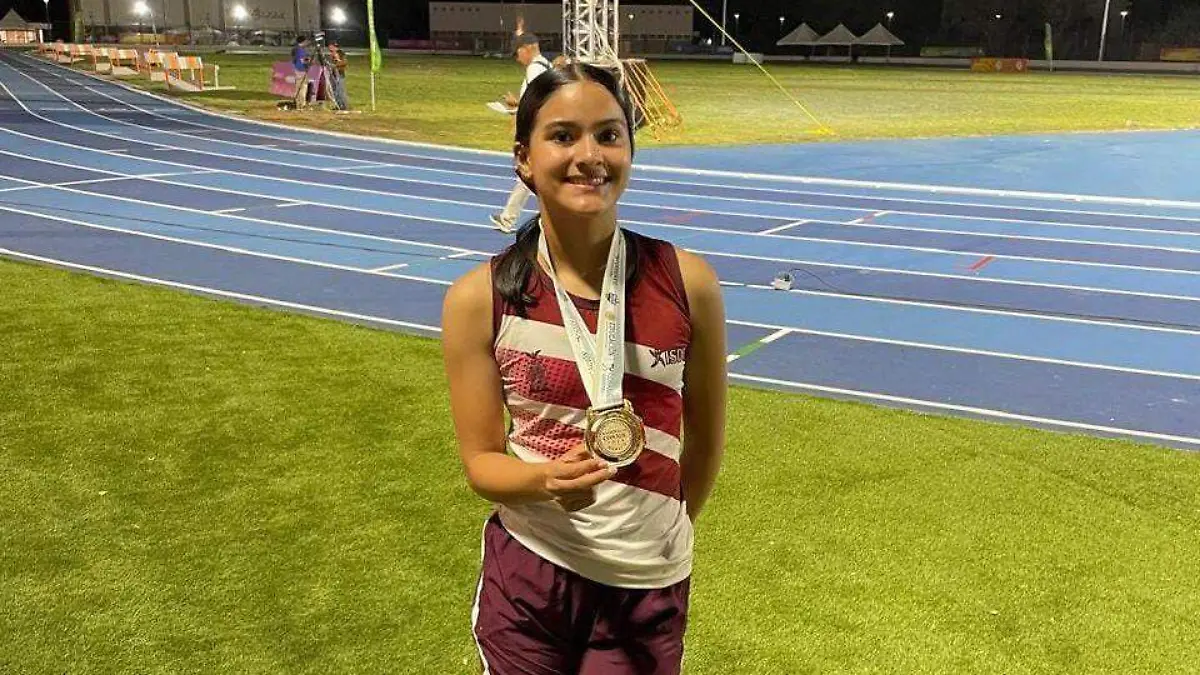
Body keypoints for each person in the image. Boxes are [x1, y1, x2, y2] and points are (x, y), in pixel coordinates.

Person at [442, 63, 727, 674]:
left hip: (645, 582)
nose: (590, 156)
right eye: (563, 136)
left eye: (609, 135)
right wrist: (543, 481)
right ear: (524, 158)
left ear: (630, 151)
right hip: (532, 573)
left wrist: (659, 529)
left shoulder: (689, 283)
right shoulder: (478, 298)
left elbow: (705, 442)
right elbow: (481, 463)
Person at [489, 32, 553, 233]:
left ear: (527, 48)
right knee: (532, 175)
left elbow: (537, 102)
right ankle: (508, 218)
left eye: (517, 53)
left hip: (537, 130)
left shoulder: (534, 69)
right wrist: (517, 104)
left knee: (529, 174)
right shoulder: (546, 66)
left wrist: (515, 110)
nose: (517, 59)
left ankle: (510, 219)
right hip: (544, 129)